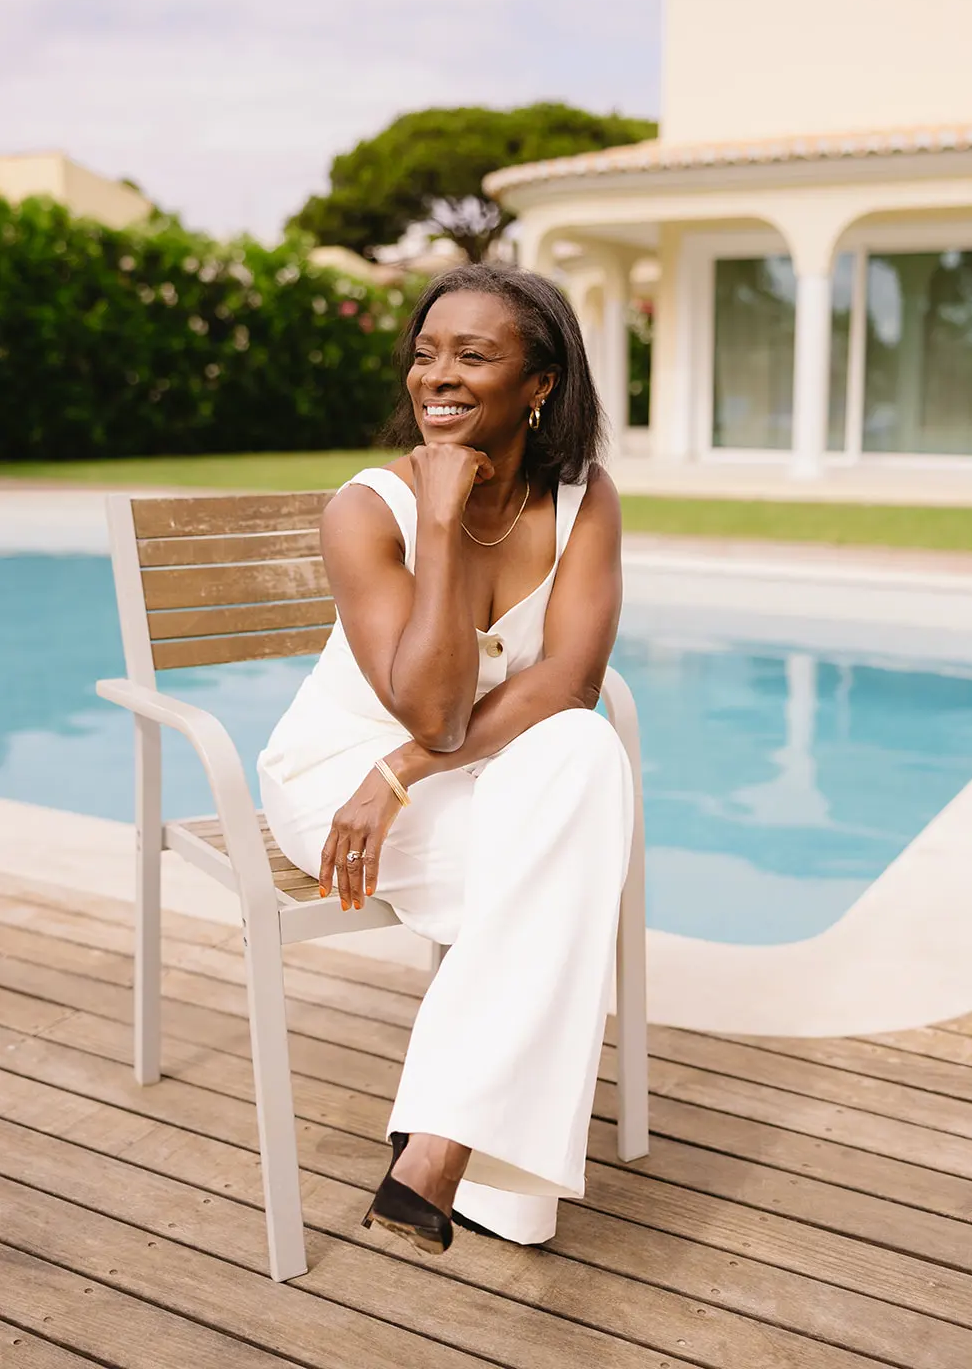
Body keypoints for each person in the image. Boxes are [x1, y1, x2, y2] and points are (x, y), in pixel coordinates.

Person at [258, 263, 634, 1255]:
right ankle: (479, 1171)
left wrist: (405, 777)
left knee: (583, 755)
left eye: (473, 354)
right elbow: (429, 706)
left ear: (539, 383)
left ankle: (435, 1150)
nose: (439, 374)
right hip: (335, 780)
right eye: (426, 353)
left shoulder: (581, 498)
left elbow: (570, 681)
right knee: (563, 874)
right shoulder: (366, 509)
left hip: (420, 780)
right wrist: (438, 516)